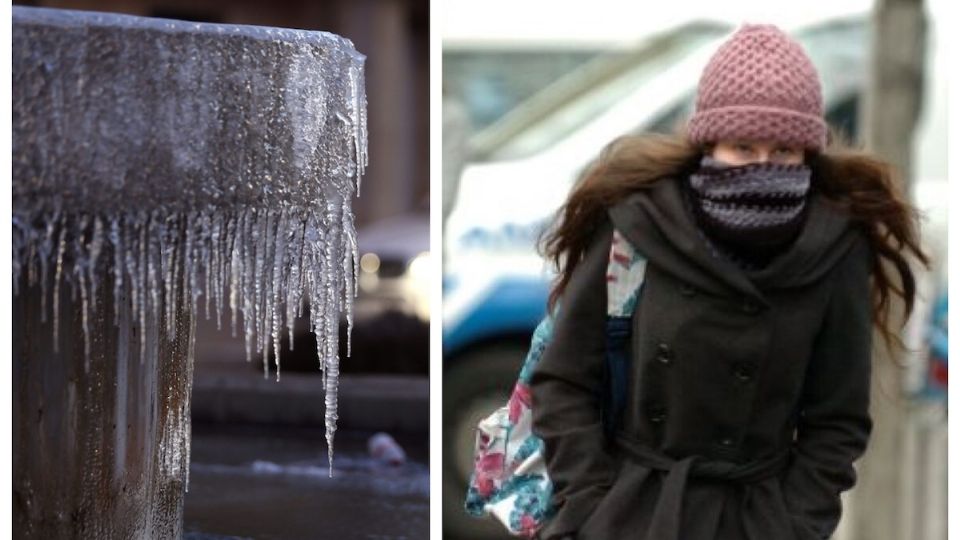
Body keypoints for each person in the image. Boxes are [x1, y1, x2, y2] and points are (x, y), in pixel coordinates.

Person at [530, 24, 927, 540]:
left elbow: (838, 421)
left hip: (754, 520)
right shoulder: (638, 227)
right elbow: (563, 380)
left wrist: (793, 524)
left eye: (784, 150)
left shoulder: (835, 248)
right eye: (742, 147)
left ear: (809, 152)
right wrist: (590, 504)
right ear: (708, 145)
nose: (763, 167)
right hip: (632, 514)